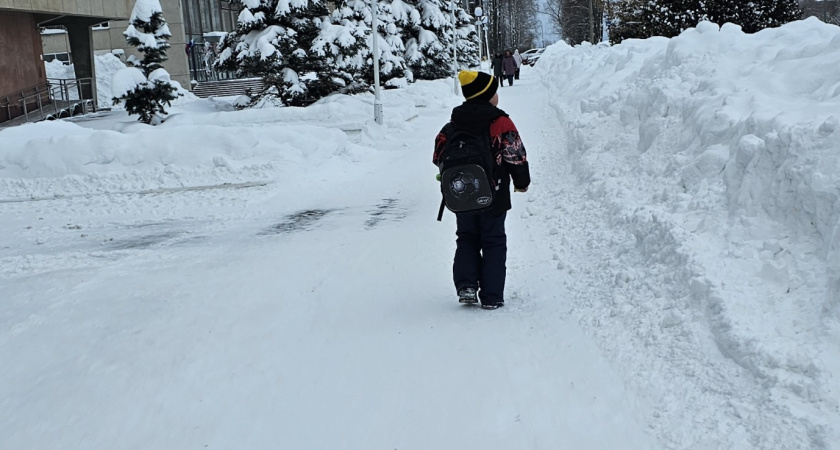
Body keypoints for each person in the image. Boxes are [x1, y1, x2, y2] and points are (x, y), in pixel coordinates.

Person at [433, 70, 531, 310]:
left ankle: (466, 285)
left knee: (466, 237)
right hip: (494, 194)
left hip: (462, 195)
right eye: (494, 91)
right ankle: (492, 295)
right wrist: (521, 182)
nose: (497, 95)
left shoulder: (452, 125)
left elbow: (438, 156)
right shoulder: (500, 122)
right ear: (486, 95)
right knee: (493, 240)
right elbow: (515, 155)